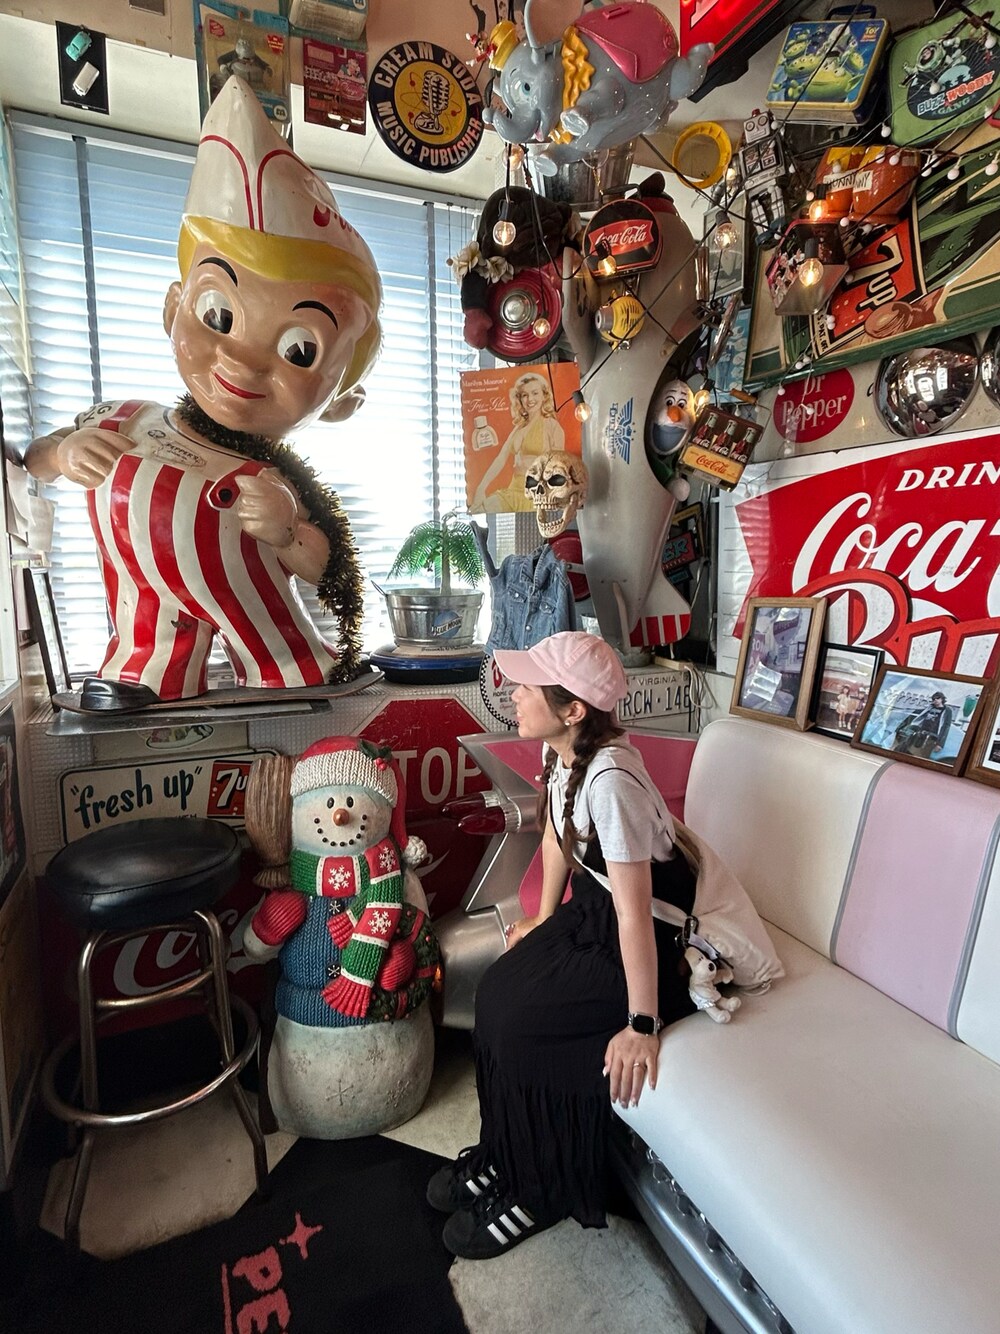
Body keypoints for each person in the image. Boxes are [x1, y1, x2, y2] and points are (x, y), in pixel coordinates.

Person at [23, 76, 381, 709]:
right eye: (219, 315)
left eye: (299, 350)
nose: (241, 359)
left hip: (258, 619)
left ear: (336, 397)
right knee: (147, 647)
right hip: (143, 608)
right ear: (174, 308)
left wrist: (287, 531)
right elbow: (38, 458)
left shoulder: (275, 477)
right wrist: (64, 452)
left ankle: (289, 665)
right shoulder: (125, 418)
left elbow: (326, 565)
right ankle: (147, 666)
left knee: (281, 656)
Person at [426, 631, 698, 1259]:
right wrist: (542, 922)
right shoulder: (562, 754)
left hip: (646, 942)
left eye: (526, 688)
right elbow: (555, 837)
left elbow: (635, 913)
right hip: (593, 916)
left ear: (573, 709)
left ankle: (541, 1187)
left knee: (522, 1020)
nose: (513, 696)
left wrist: (642, 1023)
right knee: (496, 991)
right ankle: (505, 1154)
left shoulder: (611, 781)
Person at [470, 372, 565, 512]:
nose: (530, 399)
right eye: (524, 395)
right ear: (519, 399)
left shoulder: (552, 426)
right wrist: (481, 488)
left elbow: (559, 466)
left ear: (544, 396)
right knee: (478, 509)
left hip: (537, 493)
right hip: (513, 491)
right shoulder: (519, 428)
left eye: (535, 393)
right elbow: (500, 459)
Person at [893, 690, 954, 759]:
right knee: (907, 750)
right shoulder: (928, 708)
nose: (936, 700)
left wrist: (940, 744)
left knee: (922, 756)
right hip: (920, 734)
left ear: (942, 699)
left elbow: (946, 727)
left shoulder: (947, 710)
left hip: (932, 737)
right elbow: (913, 716)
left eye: (938, 698)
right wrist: (901, 727)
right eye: (934, 699)